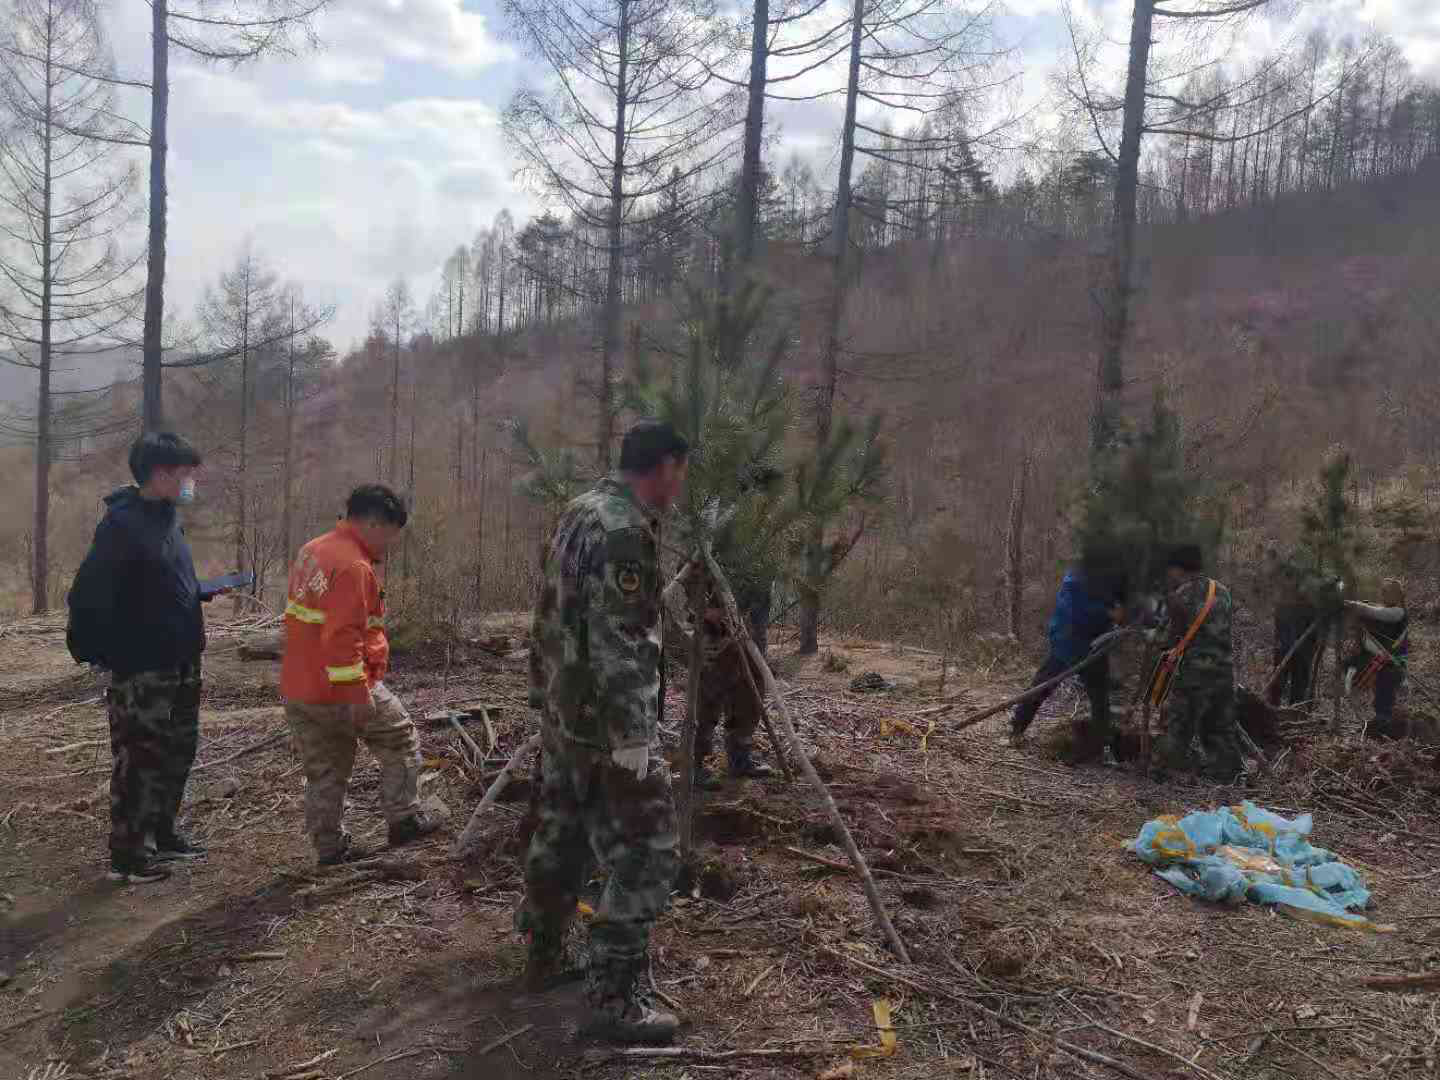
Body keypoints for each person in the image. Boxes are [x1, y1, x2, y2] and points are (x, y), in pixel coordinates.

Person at [518, 419, 688, 1045]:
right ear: (664, 467)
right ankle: (614, 1001)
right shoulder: (622, 531)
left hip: (564, 713)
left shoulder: (579, 510)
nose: (681, 485)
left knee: (561, 829)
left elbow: (546, 612)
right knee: (649, 851)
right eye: (681, 471)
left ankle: (542, 954)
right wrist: (635, 735)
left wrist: (543, 696)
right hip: (602, 723)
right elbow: (621, 642)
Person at [67, 433, 216, 884]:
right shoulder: (122, 526)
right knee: (140, 756)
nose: (191, 481)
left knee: (177, 749)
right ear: (160, 474)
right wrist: (104, 654)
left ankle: (162, 834)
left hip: (182, 656)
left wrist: (197, 595)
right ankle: (129, 854)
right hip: (143, 666)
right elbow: (88, 596)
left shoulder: (167, 518)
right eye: (185, 473)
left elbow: (159, 582)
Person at [280, 485, 437, 866]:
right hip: (339, 686)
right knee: (400, 737)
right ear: (372, 523)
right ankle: (405, 819)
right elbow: (343, 637)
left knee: (325, 769)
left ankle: (330, 847)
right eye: (391, 533)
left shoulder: (312, 549)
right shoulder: (353, 565)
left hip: (299, 686)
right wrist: (357, 693)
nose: (392, 544)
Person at [1009, 563, 1126, 763]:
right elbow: (1076, 609)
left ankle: (1101, 746)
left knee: (1099, 697)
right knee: (1042, 686)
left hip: (1095, 646)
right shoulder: (1078, 576)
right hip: (1068, 642)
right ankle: (1017, 728)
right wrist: (1108, 614)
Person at [1150, 545, 1243, 782]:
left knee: (1177, 723)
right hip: (1223, 671)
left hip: (1194, 672)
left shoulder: (1182, 595)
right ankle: (1226, 774)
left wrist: (1146, 633)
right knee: (1220, 726)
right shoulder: (1222, 591)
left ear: (1178, 568)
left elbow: (1164, 638)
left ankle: (1164, 771)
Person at [1342, 579, 1409, 739]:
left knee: (1385, 692)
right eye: (1383, 591)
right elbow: (1374, 611)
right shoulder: (1386, 609)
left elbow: (1376, 613)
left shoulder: (1398, 612)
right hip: (1381, 661)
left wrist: (1355, 605)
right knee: (1353, 668)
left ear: (1397, 595)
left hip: (1393, 663)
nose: (1383, 594)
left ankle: (1383, 724)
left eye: (1387, 592)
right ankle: (1380, 721)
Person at [1265, 550, 1320, 711]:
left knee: (1299, 683)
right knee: (1278, 682)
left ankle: (1295, 714)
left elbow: (1316, 622)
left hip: (1304, 646)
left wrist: (1312, 643)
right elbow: (1280, 619)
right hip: (1285, 644)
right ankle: (1270, 712)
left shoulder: (1311, 595)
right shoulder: (1284, 593)